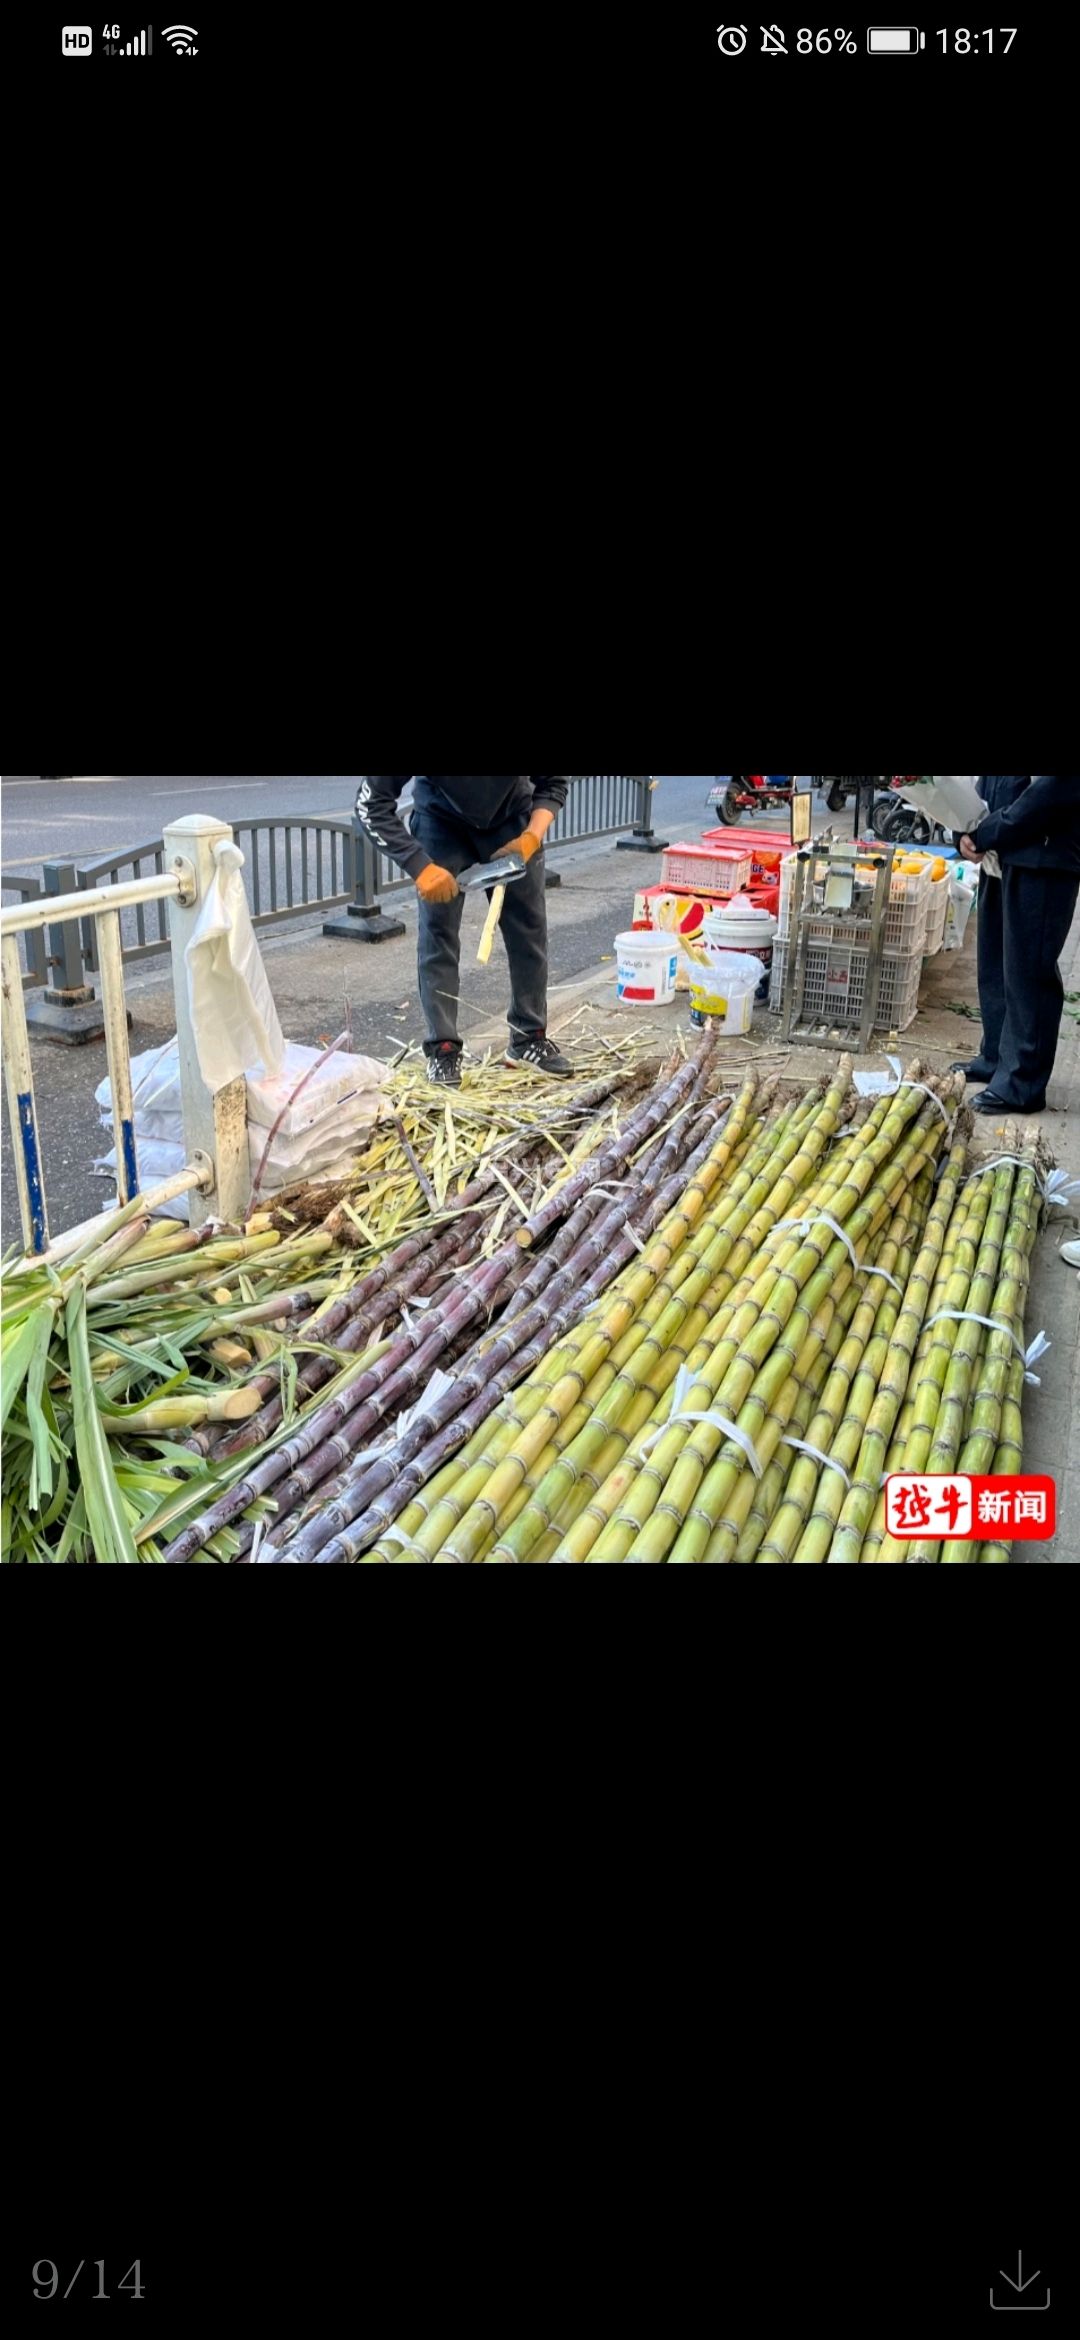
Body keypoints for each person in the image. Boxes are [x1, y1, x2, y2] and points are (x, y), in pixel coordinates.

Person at [356, 776, 575, 1087]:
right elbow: (370, 805)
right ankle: (442, 1049)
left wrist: (532, 835)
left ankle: (528, 1038)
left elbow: (553, 783)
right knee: (438, 935)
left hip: (511, 819)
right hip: (440, 823)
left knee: (528, 929)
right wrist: (420, 866)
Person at [951, 775, 1080, 1116]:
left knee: (1029, 972)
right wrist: (963, 831)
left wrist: (986, 833)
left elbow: (1049, 793)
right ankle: (996, 1058)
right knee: (995, 966)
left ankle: (1022, 1083)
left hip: (1043, 856)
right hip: (1002, 854)